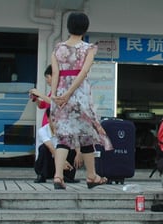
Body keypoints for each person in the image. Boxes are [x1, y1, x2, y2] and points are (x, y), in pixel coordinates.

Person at [50, 12, 113, 190]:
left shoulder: (58, 48)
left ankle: (58, 176)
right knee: (86, 136)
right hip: (80, 94)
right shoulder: (89, 48)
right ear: (85, 28)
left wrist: (56, 94)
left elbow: (55, 73)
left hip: (61, 94)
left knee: (63, 136)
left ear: (68, 27)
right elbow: (83, 72)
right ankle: (91, 176)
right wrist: (70, 92)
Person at [34, 108, 80, 183]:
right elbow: (50, 147)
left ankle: (68, 176)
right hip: (48, 164)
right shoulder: (42, 130)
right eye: (53, 120)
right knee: (44, 148)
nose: (56, 122)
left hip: (61, 165)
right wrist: (62, 161)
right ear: (48, 119)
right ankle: (42, 175)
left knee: (71, 149)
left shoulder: (66, 130)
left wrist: (78, 154)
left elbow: (75, 142)